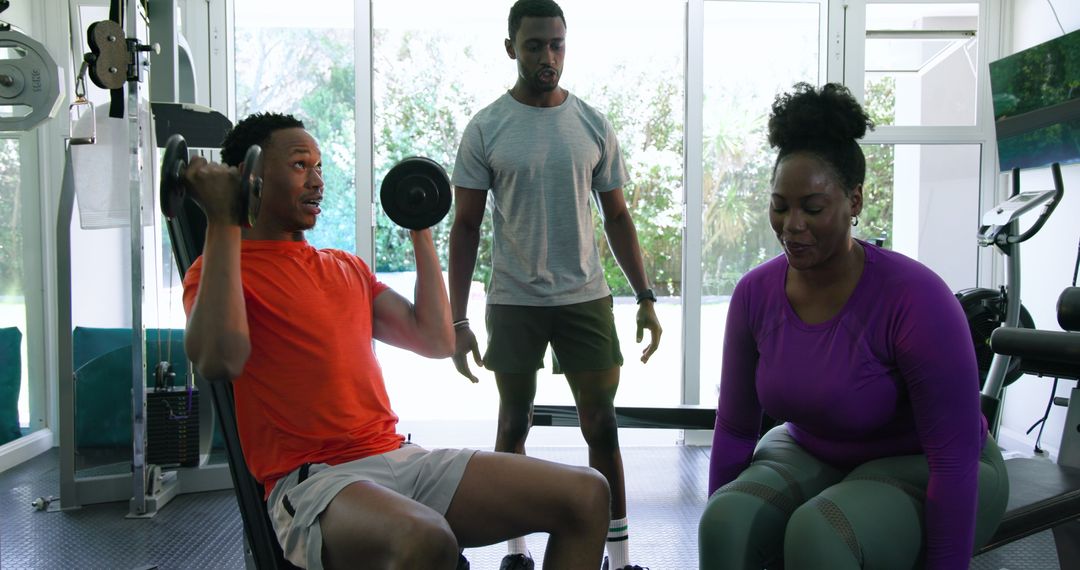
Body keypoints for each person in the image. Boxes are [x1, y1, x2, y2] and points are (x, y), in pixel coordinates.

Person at [182, 111, 611, 570]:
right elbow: (218, 361)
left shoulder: (344, 266)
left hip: (401, 458)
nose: (317, 181)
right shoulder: (218, 273)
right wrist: (223, 221)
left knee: (586, 494)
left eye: (320, 166)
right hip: (316, 484)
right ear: (253, 179)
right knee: (426, 540)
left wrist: (419, 226)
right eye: (300, 165)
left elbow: (435, 338)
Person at [698, 83, 1010, 570]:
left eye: (813, 207)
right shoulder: (754, 295)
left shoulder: (916, 298)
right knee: (725, 520)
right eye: (780, 205)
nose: (792, 224)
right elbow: (736, 428)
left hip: (933, 462)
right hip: (810, 446)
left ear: (855, 200)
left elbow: (952, 458)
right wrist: (732, 534)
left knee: (820, 534)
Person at [448, 2, 661, 569]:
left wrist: (645, 296)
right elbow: (464, 225)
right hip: (513, 300)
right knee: (513, 424)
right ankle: (514, 550)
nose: (548, 56)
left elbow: (618, 217)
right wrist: (457, 321)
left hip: (584, 298)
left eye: (557, 45)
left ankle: (619, 560)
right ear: (511, 47)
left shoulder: (591, 123)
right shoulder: (487, 127)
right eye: (536, 44)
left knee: (603, 425)